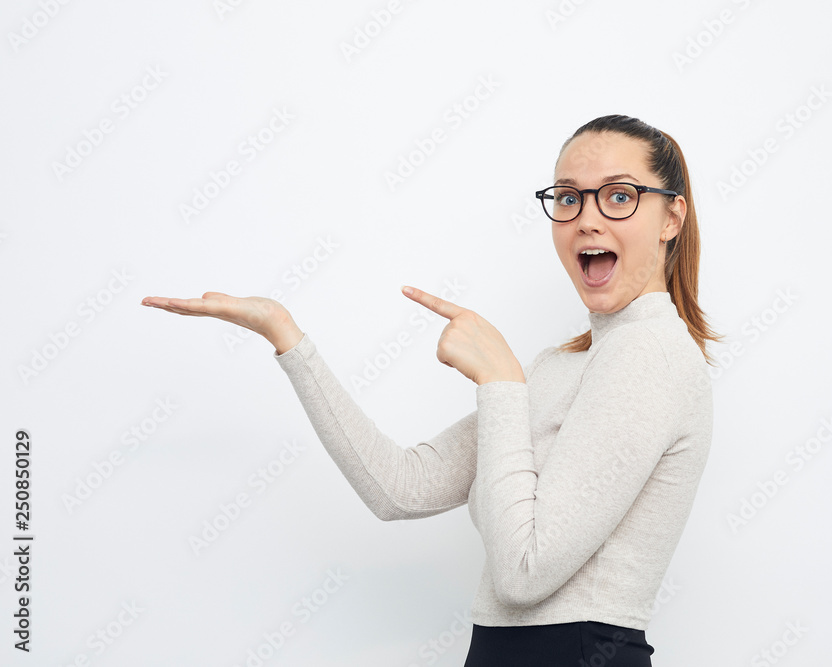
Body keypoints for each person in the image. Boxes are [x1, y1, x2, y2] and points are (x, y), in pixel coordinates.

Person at [141, 114, 721, 666]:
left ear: (671, 217)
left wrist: (500, 382)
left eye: (618, 196)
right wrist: (286, 335)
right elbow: (399, 488)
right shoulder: (564, 366)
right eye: (568, 199)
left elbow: (525, 572)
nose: (587, 219)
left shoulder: (651, 353)